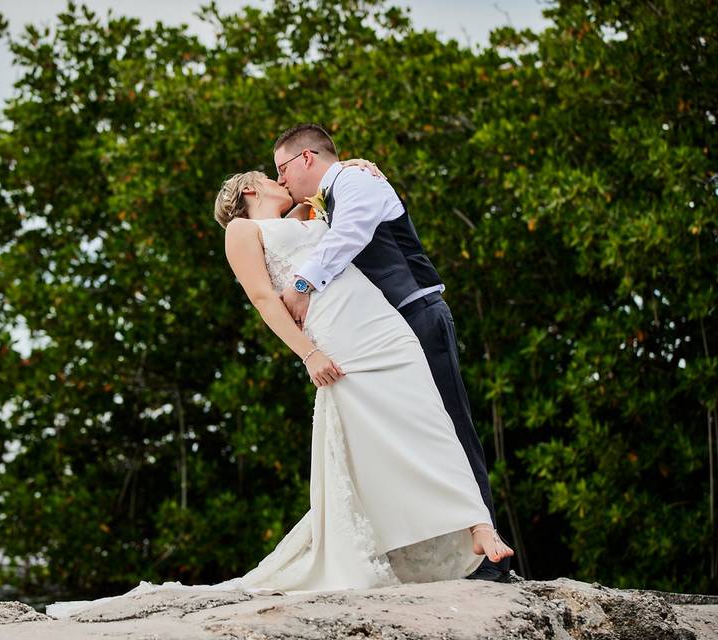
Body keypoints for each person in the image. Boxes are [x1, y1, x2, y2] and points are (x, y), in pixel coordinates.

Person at [46, 164, 513, 619]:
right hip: (337, 334)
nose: (280, 179)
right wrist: (308, 354)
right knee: (368, 440)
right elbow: (265, 300)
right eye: (271, 176)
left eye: (281, 170)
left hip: (378, 319)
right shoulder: (242, 231)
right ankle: (408, 537)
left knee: (429, 414)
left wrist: (355, 165)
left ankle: (476, 524)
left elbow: (348, 218)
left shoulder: (308, 214)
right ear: (249, 189)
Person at [273, 123, 514, 582]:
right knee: (408, 440)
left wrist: (303, 284)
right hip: (384, 338)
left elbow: (352, 235)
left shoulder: (356, 181)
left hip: (418, 315)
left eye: (282, 168)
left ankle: (489, 559)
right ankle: (442, 556)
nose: (281, 180)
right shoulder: (329, 198)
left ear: (307, 159)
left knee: (451, 427)